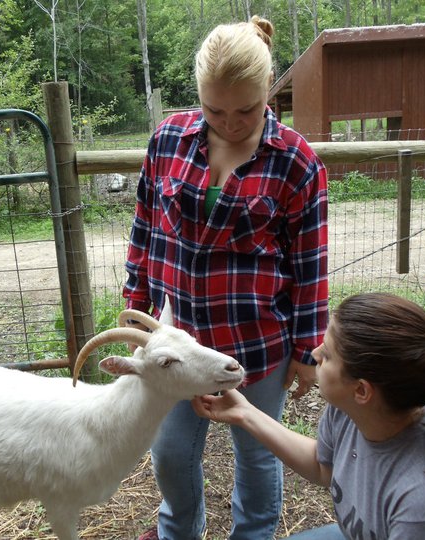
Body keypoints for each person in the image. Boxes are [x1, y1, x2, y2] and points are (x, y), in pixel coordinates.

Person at [123, 16, 328, 540]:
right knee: (169, 452)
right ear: (198, 96)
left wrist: (307, 351)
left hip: (255, 343)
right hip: (176, 339)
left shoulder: (297, 163)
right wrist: (137, 303)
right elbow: (145, 227)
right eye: (215, 110)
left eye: (247, 109)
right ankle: (177, 531)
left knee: (258, 456)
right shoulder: (168, 140)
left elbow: (310, 266)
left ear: (268, 91)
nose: (231, 123)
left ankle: (253, 535)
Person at [193, 292, 425, 539]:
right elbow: (324, 467)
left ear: (362, 391)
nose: (314, 354)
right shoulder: (352, 412)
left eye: (326, 355)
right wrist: (246, 413)